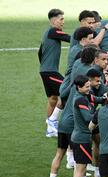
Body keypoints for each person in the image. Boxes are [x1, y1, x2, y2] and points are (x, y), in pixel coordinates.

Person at [38, 8, 70, 137]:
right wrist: (84, 38)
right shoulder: (53, 31)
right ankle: (52, 120)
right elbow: (70, 39)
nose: (63, 22)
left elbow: (39, 52)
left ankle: (50, 129)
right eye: (61, 19)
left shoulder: (47, 33)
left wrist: (44, 66)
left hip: (45, 71)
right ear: (54, 20)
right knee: (68, 90)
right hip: (50, 71)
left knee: (53, 98)